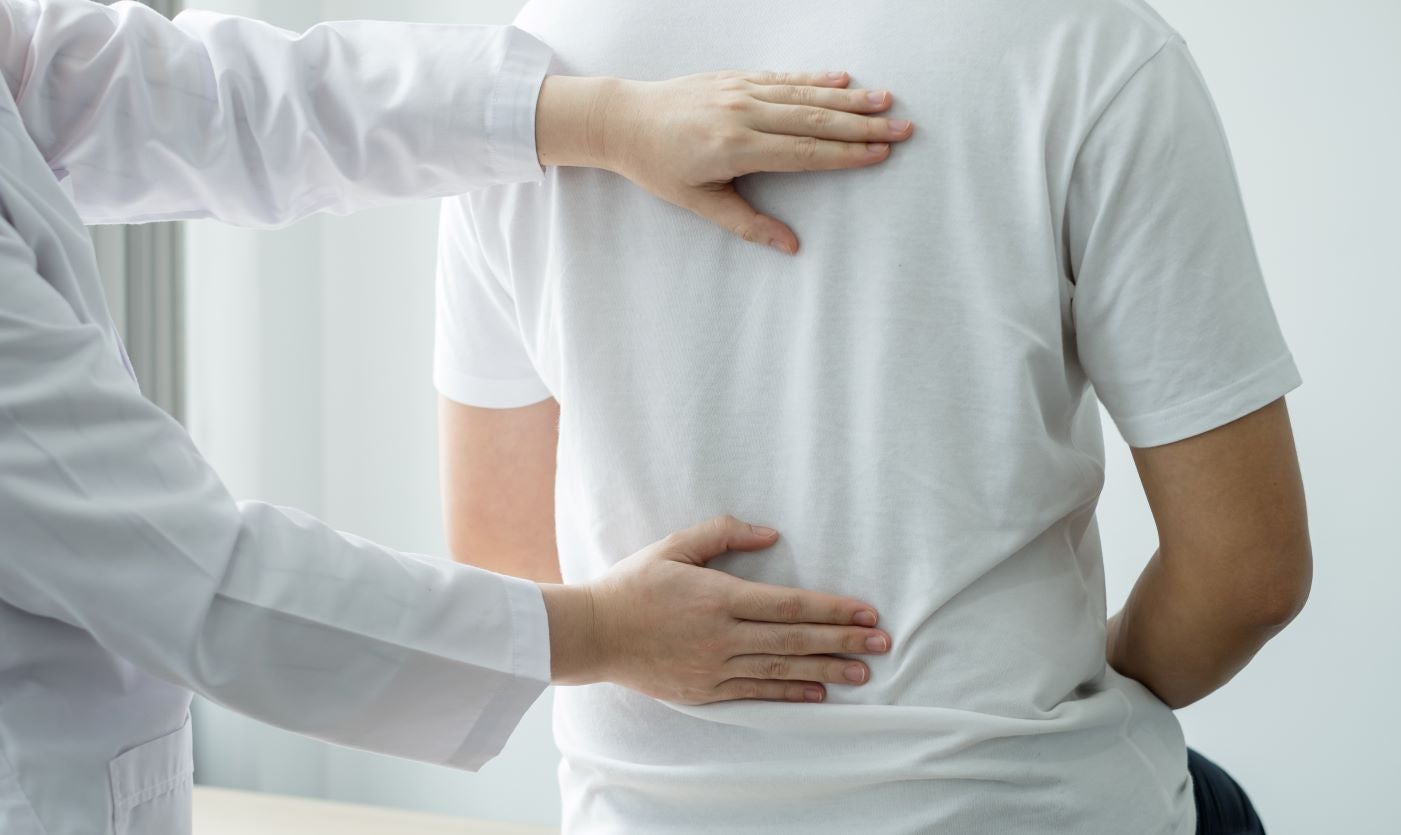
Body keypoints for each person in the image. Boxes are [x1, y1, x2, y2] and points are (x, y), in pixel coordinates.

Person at [0, 0, 919, 832]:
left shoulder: (568, 49)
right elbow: (193, 577)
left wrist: (600, 119)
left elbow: (207, 97)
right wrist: (602, 632)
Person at [434, 0, 1312, 833]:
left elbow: (502, 557)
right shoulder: (1092, 46)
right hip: (1016, 799)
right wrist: (1095, 677)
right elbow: (1248, 579)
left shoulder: (529, 82)